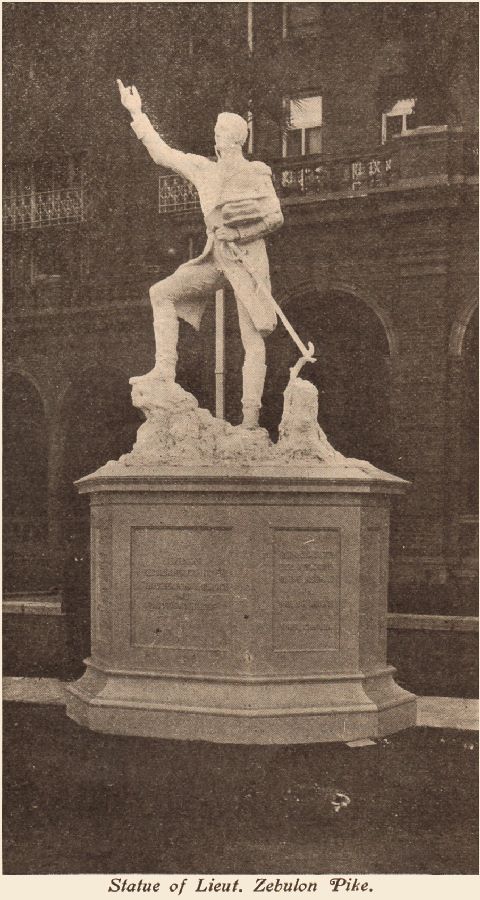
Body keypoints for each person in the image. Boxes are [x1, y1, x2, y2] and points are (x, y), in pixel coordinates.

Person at [117, 80, 284, 428]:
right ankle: (164, 370)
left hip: (247, 259)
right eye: (216, 132)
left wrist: (239, 231)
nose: (216, 138)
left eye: (220, 132)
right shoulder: (204, 169)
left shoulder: (255, 173)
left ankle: (250, 422)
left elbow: (274, 216)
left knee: (253, 336)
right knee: (161, 292)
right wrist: (137, 114)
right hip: (216, 258)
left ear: (234, 139)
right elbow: (163, 154)